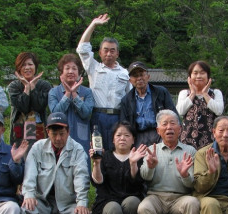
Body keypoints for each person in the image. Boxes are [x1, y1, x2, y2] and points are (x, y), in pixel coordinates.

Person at [11, 112, 91, 214]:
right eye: (54, 134)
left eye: (62, 134)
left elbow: (81, 177)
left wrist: (82, 202)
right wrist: (29, 194)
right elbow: (30, 174)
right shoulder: (38, 148)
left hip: (67, 202)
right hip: (42, 200)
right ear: (48, 132)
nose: (58, 138)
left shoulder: (77, 150)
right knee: (26, 209)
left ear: (68, 131)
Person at [137, 110, 200, 214]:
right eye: (164, 124)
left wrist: (185, 174)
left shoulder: (190, 151)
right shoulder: (152, 150)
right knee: (143, 207)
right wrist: (150, 167)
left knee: (193, 203)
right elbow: (144, 176)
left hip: (180, 198)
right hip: (156, 197)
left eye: (173, 123)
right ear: (158, 130)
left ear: (180, 128)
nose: (169, 127)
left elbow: (192, 184)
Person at [90, 121, 147, 214]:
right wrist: (96, 163)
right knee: (114, 208)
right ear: (113, 139)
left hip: (129, 202)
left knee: (134, 202)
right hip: (107, 204)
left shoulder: (138, 156)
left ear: (133, 139)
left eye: (127, 135)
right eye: (119, 135)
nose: (122, 138)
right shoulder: (105, 156)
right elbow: (98, 182)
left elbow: (137, 183)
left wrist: (133, 163)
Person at [76, 13, 132, 151]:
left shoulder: (125, 73)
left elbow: (130, 97)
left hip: (117, 117)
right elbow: (82, 48)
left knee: (116, 151)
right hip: (97, 116)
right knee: (98, 152)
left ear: (117, 54)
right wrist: (93, 24)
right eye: (105, 50)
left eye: (112, 51)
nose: (109, 54)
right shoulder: (93, 68)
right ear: (100, 53)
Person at [49, 53, 94, 171]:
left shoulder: (87, 92)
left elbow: (86, 113)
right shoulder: (54, 92)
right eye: (67, 68)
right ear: (61, 72)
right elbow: (55, 113)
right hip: (60, 138)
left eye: (74, 68)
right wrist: (67, 94)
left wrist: (74, 95)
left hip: (81, 138)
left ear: (79, 73)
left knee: (82, 172)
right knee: (61, 172)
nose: (71, 71)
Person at [118, 61, 177, 148]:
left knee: (162, 157)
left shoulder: (161, 92)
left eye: (141, 74)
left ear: (148, 76)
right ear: (130, 80)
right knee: (140, 159)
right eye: (135, 76)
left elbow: (173, 114)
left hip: (159, 133)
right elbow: (124, 124)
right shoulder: (126, 100)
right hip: (138, 135)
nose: (139, 78)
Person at [8, 52, 52, 152]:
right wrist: (26, 89)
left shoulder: (44, 85)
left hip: (40, 130)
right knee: (20, 161)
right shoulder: (14, 86)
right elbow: (23, 107)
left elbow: (39, 107)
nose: (27, 68)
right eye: (23, 65)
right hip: (19, 131)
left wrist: (33, 88)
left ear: (35, 67)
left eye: (30, 64)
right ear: (18, 68)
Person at [177, 60, 224, 150]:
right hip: (187, 139)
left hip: (210, 139)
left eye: (202, 73)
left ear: (208, 76)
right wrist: (192, 94)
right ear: (190, 77)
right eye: (195, 73)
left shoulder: (216, 93)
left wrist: (205, 94)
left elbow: (219, 111)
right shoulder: (184, 93)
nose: (198, 76)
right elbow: (180, 111)